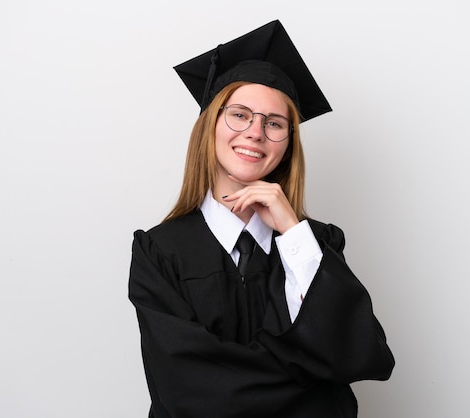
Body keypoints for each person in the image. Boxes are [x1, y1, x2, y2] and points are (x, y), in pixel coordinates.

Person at [128, 20, 394, 418]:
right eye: (239, 114)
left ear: (286, 146)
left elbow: (360, 355)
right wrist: (313, 384)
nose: (255, 133)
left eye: (274, 123)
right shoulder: (160, 251)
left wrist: (293, 233)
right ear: (210, 126)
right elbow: (188, 390)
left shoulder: (317, 243)